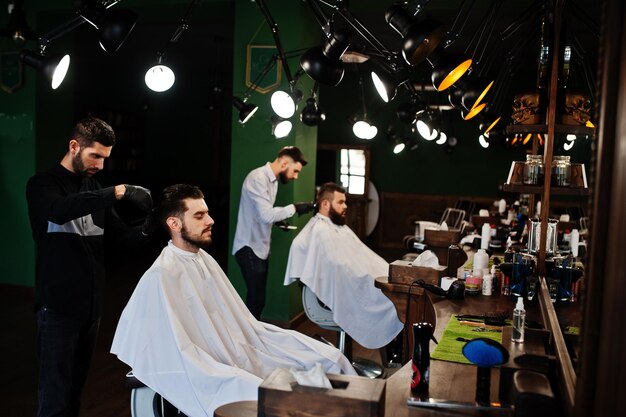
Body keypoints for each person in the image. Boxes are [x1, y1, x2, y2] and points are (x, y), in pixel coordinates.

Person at [111, 184, 355, 417]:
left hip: (239, 348)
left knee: (329, 358)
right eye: (199, 216)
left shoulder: (202, 258)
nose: (211, 221)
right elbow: (169, 351)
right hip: (207, 367)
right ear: (174, 223)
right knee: (267, 391)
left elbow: (242, 323)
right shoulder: (161, 274)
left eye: (207, 213)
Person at [25, 117, 154, 417]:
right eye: (95, 155)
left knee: (74, 393)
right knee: (54, 397)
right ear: (74, 146)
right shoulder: (43, 185)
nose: (100, 164)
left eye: (105, 158)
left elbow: (120, 238)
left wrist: (153, 225)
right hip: (57, 308)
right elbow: (58, 211)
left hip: (90, 309)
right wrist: (118, 191)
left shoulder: (94, 187)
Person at [284, 182, 403, 350]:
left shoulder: (337, 227)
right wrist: (368, 276)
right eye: (340, 202)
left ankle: (394, 350)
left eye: (345, 202)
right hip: (338, 293)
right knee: (392, 299)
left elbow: (360, 256)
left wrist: (381, 271)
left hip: (356, 280)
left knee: (394, 293)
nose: (345, 206)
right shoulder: (320, 231)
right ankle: (395, 351)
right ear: (325, 204)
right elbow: (340, 266)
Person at [232, 146, 315, 319]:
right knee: (256, 300)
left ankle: (251, 338)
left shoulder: (273, 181)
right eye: (295, 171)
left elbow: (262, 213)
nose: (296, 176)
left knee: (258, 300)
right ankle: (247, 341)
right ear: (284, 162)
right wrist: (296, 207)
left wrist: (278, 221)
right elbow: (265, 215)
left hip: (260, 248)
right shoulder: (257, 178)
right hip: (249, 246)